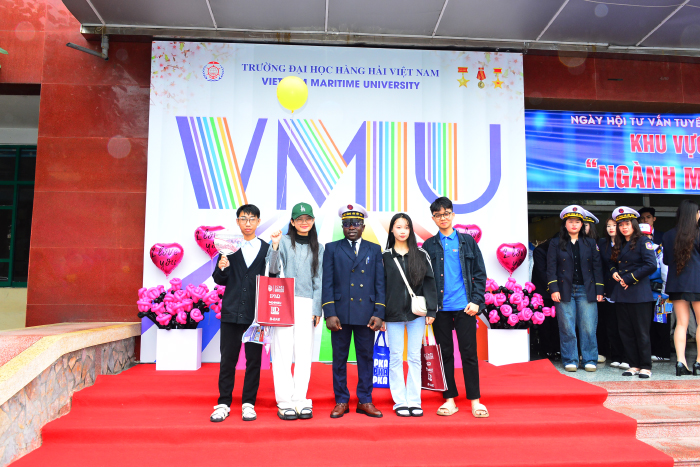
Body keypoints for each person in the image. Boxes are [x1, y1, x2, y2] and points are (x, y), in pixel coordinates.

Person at [422, 197, 488, 418]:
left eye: (446, 213)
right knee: (445, 355)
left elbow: (479, 273)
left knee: (469, 354)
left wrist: (476, 301)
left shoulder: (467, 242)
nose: (443, 218)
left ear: (452, 215)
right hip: (440, 309)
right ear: (433, 218)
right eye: (438, 215)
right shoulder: (429, 245)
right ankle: (449, 400)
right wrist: (430, 309)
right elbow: (425, 280)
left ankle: (475, 401)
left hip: (465, 307)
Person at [322, 204, 386, 418]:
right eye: (347, 223)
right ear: (342, 226)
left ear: (363, 226)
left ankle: (365, 400)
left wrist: (379, 312)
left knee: (366, 358)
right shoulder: (332, 248)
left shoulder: (374, 249)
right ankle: (341, 400)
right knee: (339, 359)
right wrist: (329, 313)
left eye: (356, 223)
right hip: (339, 314)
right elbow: (327, 282)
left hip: (367, 314)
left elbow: (380, 283)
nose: (351, 227)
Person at [210, 204, 269, 423]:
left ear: (258, 221)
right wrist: (222, 267)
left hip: (256, 316)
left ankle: (248, 404)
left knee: (254, 361)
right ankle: (223, 403)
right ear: (237, 222)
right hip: (231, 312)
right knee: (228, 360)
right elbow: (219, 279)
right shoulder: (229, 247)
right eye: (243, 219)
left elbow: (273, 277)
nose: (248, 223)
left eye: (252, 219)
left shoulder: (267, 249)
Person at [267, 202, 324, 420]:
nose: (303, 222)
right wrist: (274, 246)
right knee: (282, 352)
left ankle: (300, 399)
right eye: (299, 219)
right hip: (283, 300)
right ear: (292, 222)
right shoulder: (282, 241)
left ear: (313, 221)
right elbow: (272, 271)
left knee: (303, 353)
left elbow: (318, 280)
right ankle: (284, 401)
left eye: (307, 219)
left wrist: (316, 308)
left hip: (307, 304)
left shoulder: (319, 247)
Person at [381, 213, 438, 417]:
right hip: (392, 314)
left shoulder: (421, 254)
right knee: (396, 357)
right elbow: (380, 287)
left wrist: (431, 310)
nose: (403, 231)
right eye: (398, 227)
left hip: (417, 314)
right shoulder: (385, 257)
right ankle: (400, 401)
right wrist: (380, 315)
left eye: (406, 227)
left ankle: (414, 401)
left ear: (411, 230)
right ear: (392, 230)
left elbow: (430, 283)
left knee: (414, 357)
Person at [547, 205, 604, 372]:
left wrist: (599, 290)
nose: (574, 225)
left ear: (582, 224)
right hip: (564, 290)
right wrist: (553, 288)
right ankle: (570, 359)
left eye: (577, 222)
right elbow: (551, 268)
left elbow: (597, 268)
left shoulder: (590, 243)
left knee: (588, 326)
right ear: (565, 224)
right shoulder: (555, 243)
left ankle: (589, 359)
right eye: (570, 221)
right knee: (567, 327)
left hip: (586, 289)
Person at [610, 206, 658, 379]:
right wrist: (613, 271)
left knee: (641, 332)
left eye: (627, 224)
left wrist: (630, 278)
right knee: (626, 331)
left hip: (638, 292)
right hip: (622, 293)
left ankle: (645, 366)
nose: (624, 227)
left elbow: (651, 265)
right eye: (621, 225)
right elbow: (612, 262)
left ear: (634, 225)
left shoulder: (643, 241)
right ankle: (634, 365)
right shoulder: (619, 243)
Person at [662, 199, 700, 376]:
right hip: (697, 283)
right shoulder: (698, 232)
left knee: (681, 324)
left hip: (676, 284)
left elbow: (666, 261)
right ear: (694, 214)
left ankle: (680, 362)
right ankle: (699, 362)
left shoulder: (668, 235)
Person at [598, 217, 628, 370]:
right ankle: (616, 356)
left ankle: (627, 357)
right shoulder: (602, 243)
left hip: (624, 286)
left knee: (624, 324)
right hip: (608, 287)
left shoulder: (626, 243)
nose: (611, 228)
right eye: (608, 225)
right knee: (611, 325)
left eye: (614, 225)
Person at [639, 223, 670, 363]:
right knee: (647, 325)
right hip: (644, 294)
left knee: (662, 324)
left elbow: (666, 272)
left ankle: (663, 353)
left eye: (647, 235)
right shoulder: (635, 249)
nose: (645, 238)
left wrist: (665, 294)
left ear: (652, 235)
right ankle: (650, 352)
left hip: (662, 294)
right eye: (641, 235)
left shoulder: (660, 249)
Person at [583, 209, 606, 365]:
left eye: (585, 225)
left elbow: (601, 267)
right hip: (583, 288)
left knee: (598, 323)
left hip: (598, 287)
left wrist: (601, 289)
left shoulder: (600, 243)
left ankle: (599, 352)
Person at [531, 236, 560, 360]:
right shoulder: (540, 251)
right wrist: (553, 289)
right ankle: (547, 350)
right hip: (543, 292)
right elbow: (541, 273)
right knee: (545, 322)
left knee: (557, 323)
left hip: (558, 291)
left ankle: (557, 349)